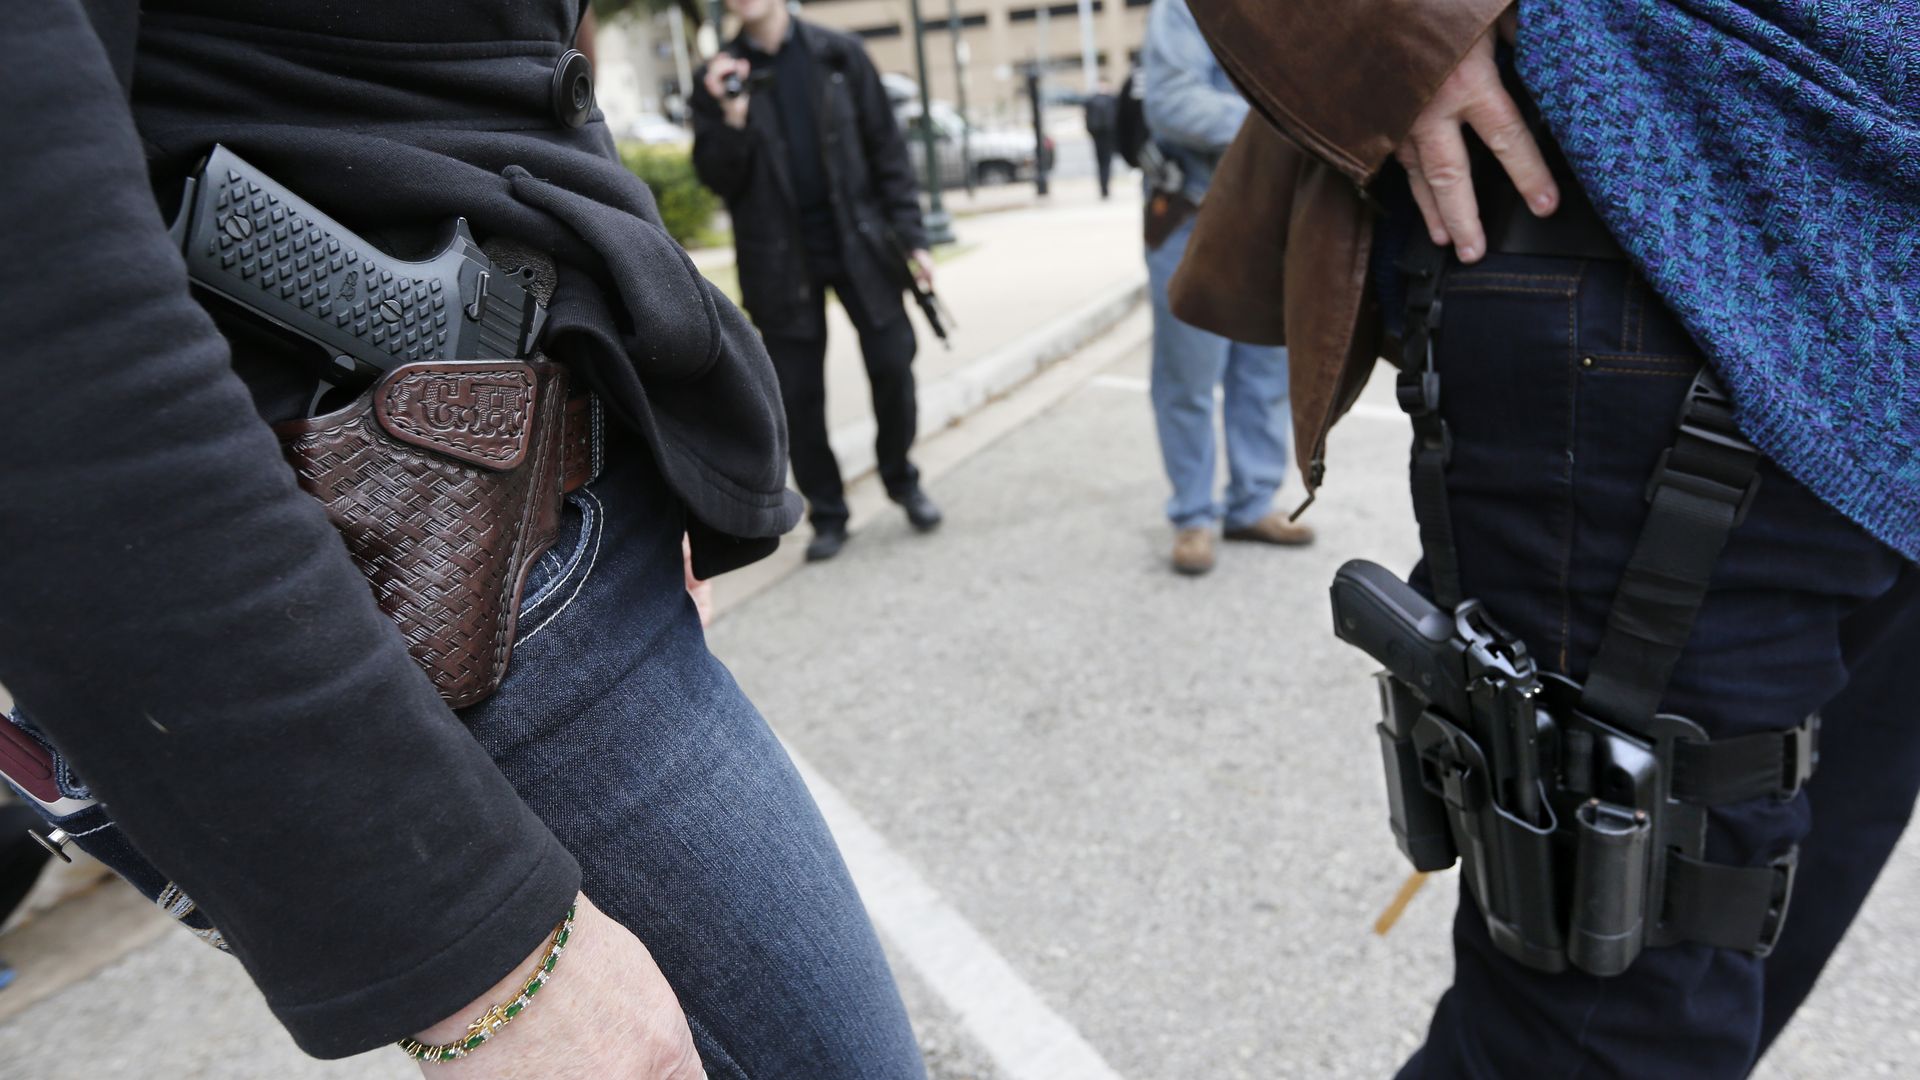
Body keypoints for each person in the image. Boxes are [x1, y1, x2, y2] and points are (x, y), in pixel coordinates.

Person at [0, 3, 929, 1077]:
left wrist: (644, 423)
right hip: (426, 553)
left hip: (512, 492)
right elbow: (42, 302)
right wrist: (480, 956)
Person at [1172, 0, 1920, 1074]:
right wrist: (1400, 27)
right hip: (1661, 238)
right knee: (1607, 1023)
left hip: (1883, 322)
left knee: (1758, 940)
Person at [691, 0, 944, 563]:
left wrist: (914, 239)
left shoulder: (840, 55)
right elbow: (716, 177)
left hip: (861, 245)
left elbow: (887, 151)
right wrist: (731, 116)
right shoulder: (717, 77)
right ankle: (828, 512)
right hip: (779, 260)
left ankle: (901, 477)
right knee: (799, 395)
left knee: (893, 362)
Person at [1140, 0, 1313, 577]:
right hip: (1192, 211)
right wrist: (1288, 116)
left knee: (1265, 368)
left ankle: (1252, 504)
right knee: (1188, 375)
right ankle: (1193, 514)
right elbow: (1172, 103)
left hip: (1271, 211)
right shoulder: (1182, 7)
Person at [1083, 78, 1120, 199]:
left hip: (1105, 135)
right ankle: (1104, 187)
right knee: (1103, 162)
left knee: (1105, 162)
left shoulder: (1110, 100)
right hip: (1100, 135)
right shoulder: (1095, 100)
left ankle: (1105, 187)